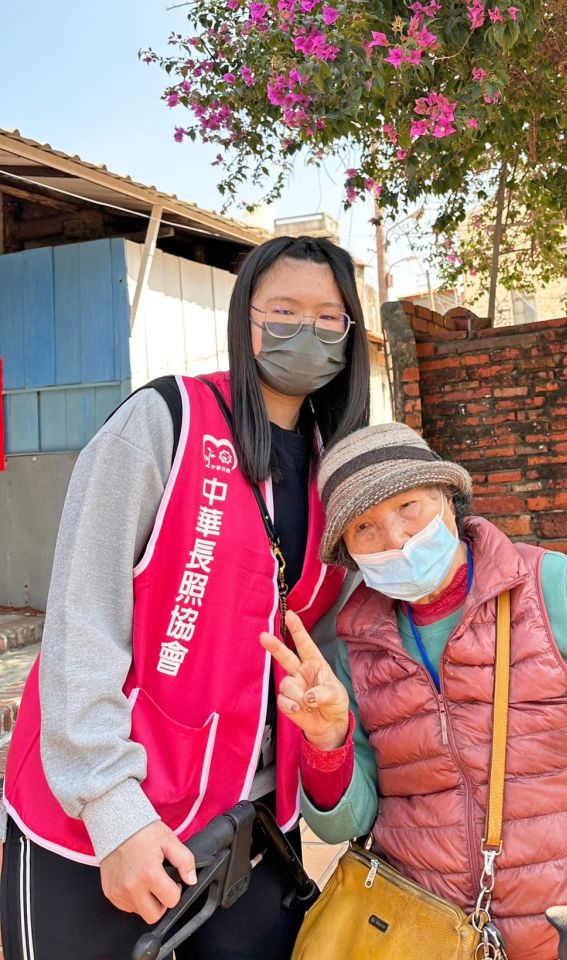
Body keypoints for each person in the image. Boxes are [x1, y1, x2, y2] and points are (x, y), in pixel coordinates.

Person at [0, 234, 370, 960]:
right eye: (284, 310)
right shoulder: (167, 420)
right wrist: (114, 811)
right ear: (245, 318)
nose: (306, 331)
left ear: (350, 335)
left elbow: (325, 651)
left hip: (251, 829)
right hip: (101, 829)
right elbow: (82, 618)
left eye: (329, 318)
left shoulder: (338, 474)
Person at [261, 422, 567, 960]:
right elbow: (346, 822)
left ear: (448, 500)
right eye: (364, 527)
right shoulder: (355, 643)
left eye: (409, 506)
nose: (396, 539)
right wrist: (327, 742)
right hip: (423, 930)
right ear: (348, 551)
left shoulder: (545, 585)